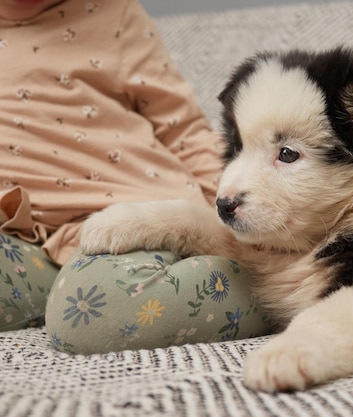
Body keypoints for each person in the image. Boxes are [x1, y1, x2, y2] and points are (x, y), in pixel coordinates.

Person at [0, 0, 270, 353]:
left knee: (87, 315)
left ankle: (273, 290)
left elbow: (185, 132)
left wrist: (233, 211)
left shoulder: (114, 13)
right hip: (32, 237)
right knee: (79, 302)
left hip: (133, 217)